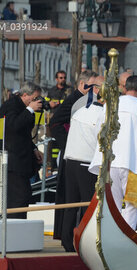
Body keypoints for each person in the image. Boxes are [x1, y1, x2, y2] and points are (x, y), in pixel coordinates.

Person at [89, 75, 137, 229]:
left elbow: (97, 131)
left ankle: (110, 237)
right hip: (131, 163)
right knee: (132, 206)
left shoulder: (109, 105)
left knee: (112, 205)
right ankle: (126, 238)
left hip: (108, 163)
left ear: (124, 88)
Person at [50, 70, 97, 239]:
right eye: (94, 86)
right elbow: (54, 123)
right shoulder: (75, 100)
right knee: (70, 199)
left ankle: (73, 237)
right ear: (84, 85)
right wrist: (69, 143)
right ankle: (67, 236)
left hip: (80, 154)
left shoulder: (90, 101)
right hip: (72, 154)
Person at [61, 75, 104, 252]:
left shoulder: (80, 111)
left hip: (70, 161)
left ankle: (66, 241)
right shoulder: (102, 115)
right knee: (88, 204)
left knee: (70, 204)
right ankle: (84, 242)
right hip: (86, 163)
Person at [0, 82, 43, 219]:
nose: (37, 101)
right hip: (11, 160)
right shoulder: (10, 106)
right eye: (35, 98)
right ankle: (13, 227)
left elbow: (24, 133)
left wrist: (34, 148)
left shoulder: (22, 106)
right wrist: (29, 110)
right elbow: (13, 126)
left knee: (24, 195)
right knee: (19, 196)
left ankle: (19, 226)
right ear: (25, 95)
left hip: (21, 159)